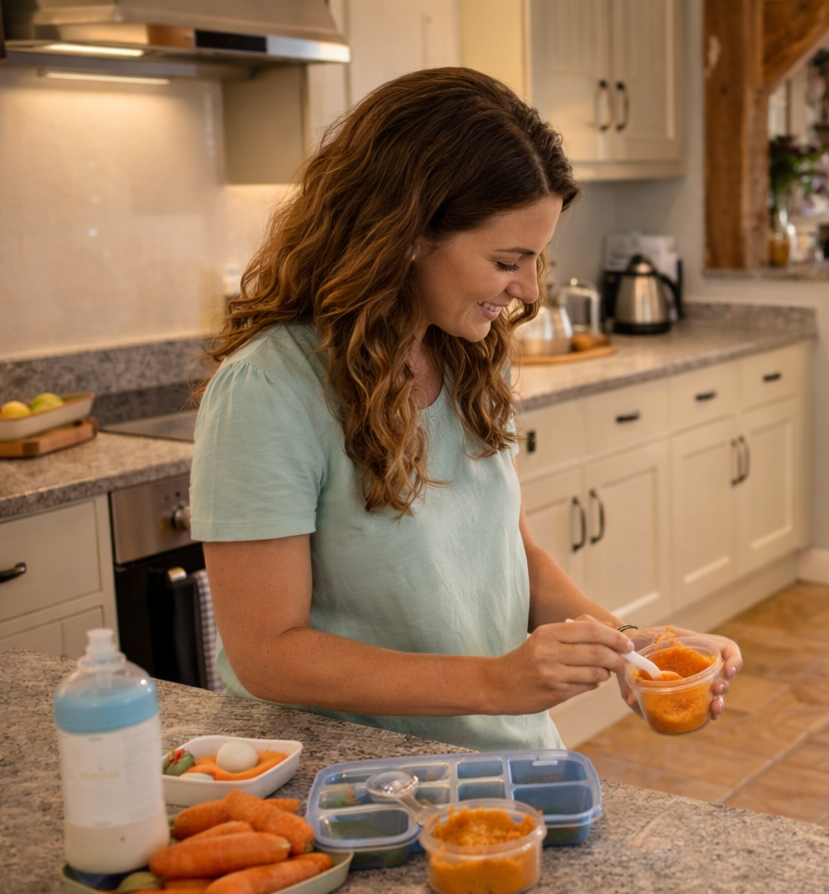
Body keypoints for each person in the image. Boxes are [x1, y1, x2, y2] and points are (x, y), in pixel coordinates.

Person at [191, 67, 737, 750]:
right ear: (411, 233)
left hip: (502, 755)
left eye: (536, 259)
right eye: (509, 260)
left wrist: (632, 648)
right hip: (358, 780)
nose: (529, 291)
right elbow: (267, 653)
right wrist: (494, 682)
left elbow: (513, 556)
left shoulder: (469, 355)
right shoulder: (269, 389)